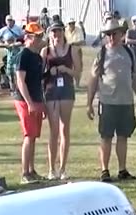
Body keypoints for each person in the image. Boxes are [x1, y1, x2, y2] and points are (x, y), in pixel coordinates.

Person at [86, 17, 136, 182]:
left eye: (114, 34)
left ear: (121, 34)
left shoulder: (128, 52)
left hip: (126, 102)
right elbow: (93, 79)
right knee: (106, 136)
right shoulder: (102, 53)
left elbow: (134, 77)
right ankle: (104, 170)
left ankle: (122, 169)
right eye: (108, 34)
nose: (111, 37)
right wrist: (89, 103)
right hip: (107, 102)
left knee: (123, 136)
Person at [42, 20, 81, 180]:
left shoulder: (72, 50)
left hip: (66, 91)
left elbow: (77, 73)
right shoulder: (45, 51)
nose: (56, 34)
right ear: (49, 34)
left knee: (65, 129)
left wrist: (66, 69)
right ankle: (51, 169)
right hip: (50, 91)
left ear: (63, 32)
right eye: (53, 31)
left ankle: (63, 168)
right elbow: (40, 74)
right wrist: (48, 71)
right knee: (54, 131)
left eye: (58, 31)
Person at [11, 24, 46, 184]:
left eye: (40, 36)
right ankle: (25, 173)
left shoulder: (38, 57)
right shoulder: (23, 55)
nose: (40, 39)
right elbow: (20, 81)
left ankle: (32, 170)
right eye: (37, 36)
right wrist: (29, 102)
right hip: (25, 100)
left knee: (33, 137)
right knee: (29, 135)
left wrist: (41, 103)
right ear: (29, 37)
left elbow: (38, 83)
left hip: (36, 100)